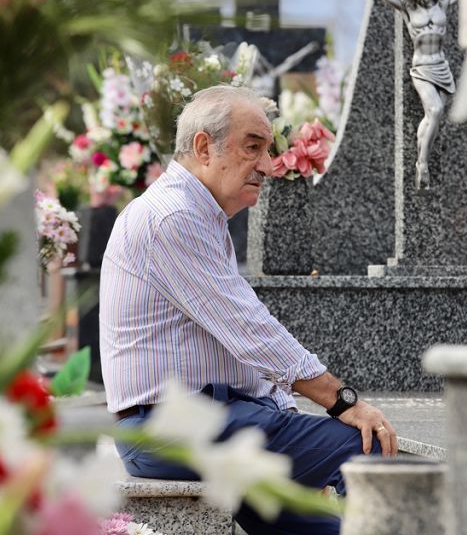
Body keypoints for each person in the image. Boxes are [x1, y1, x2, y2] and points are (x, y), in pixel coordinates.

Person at [99, 85, 398, 535]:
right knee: (365, 446)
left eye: (268, 149)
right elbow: (251, 331)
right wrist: (344, 402)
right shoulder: (173, 217)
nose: (267, 165)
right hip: (168, 427)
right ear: (204, 147)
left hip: (214, 420)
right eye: (253, 147)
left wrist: (291, 422)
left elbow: (242, 355)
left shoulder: (199, 215)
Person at [328, 0, 458, 189]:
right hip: (422, 68)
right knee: (435, 110)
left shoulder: (444, 3)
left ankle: (423, 156)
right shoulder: (409, 11)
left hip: (442, 66)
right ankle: (422, 163)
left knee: (433, 118)